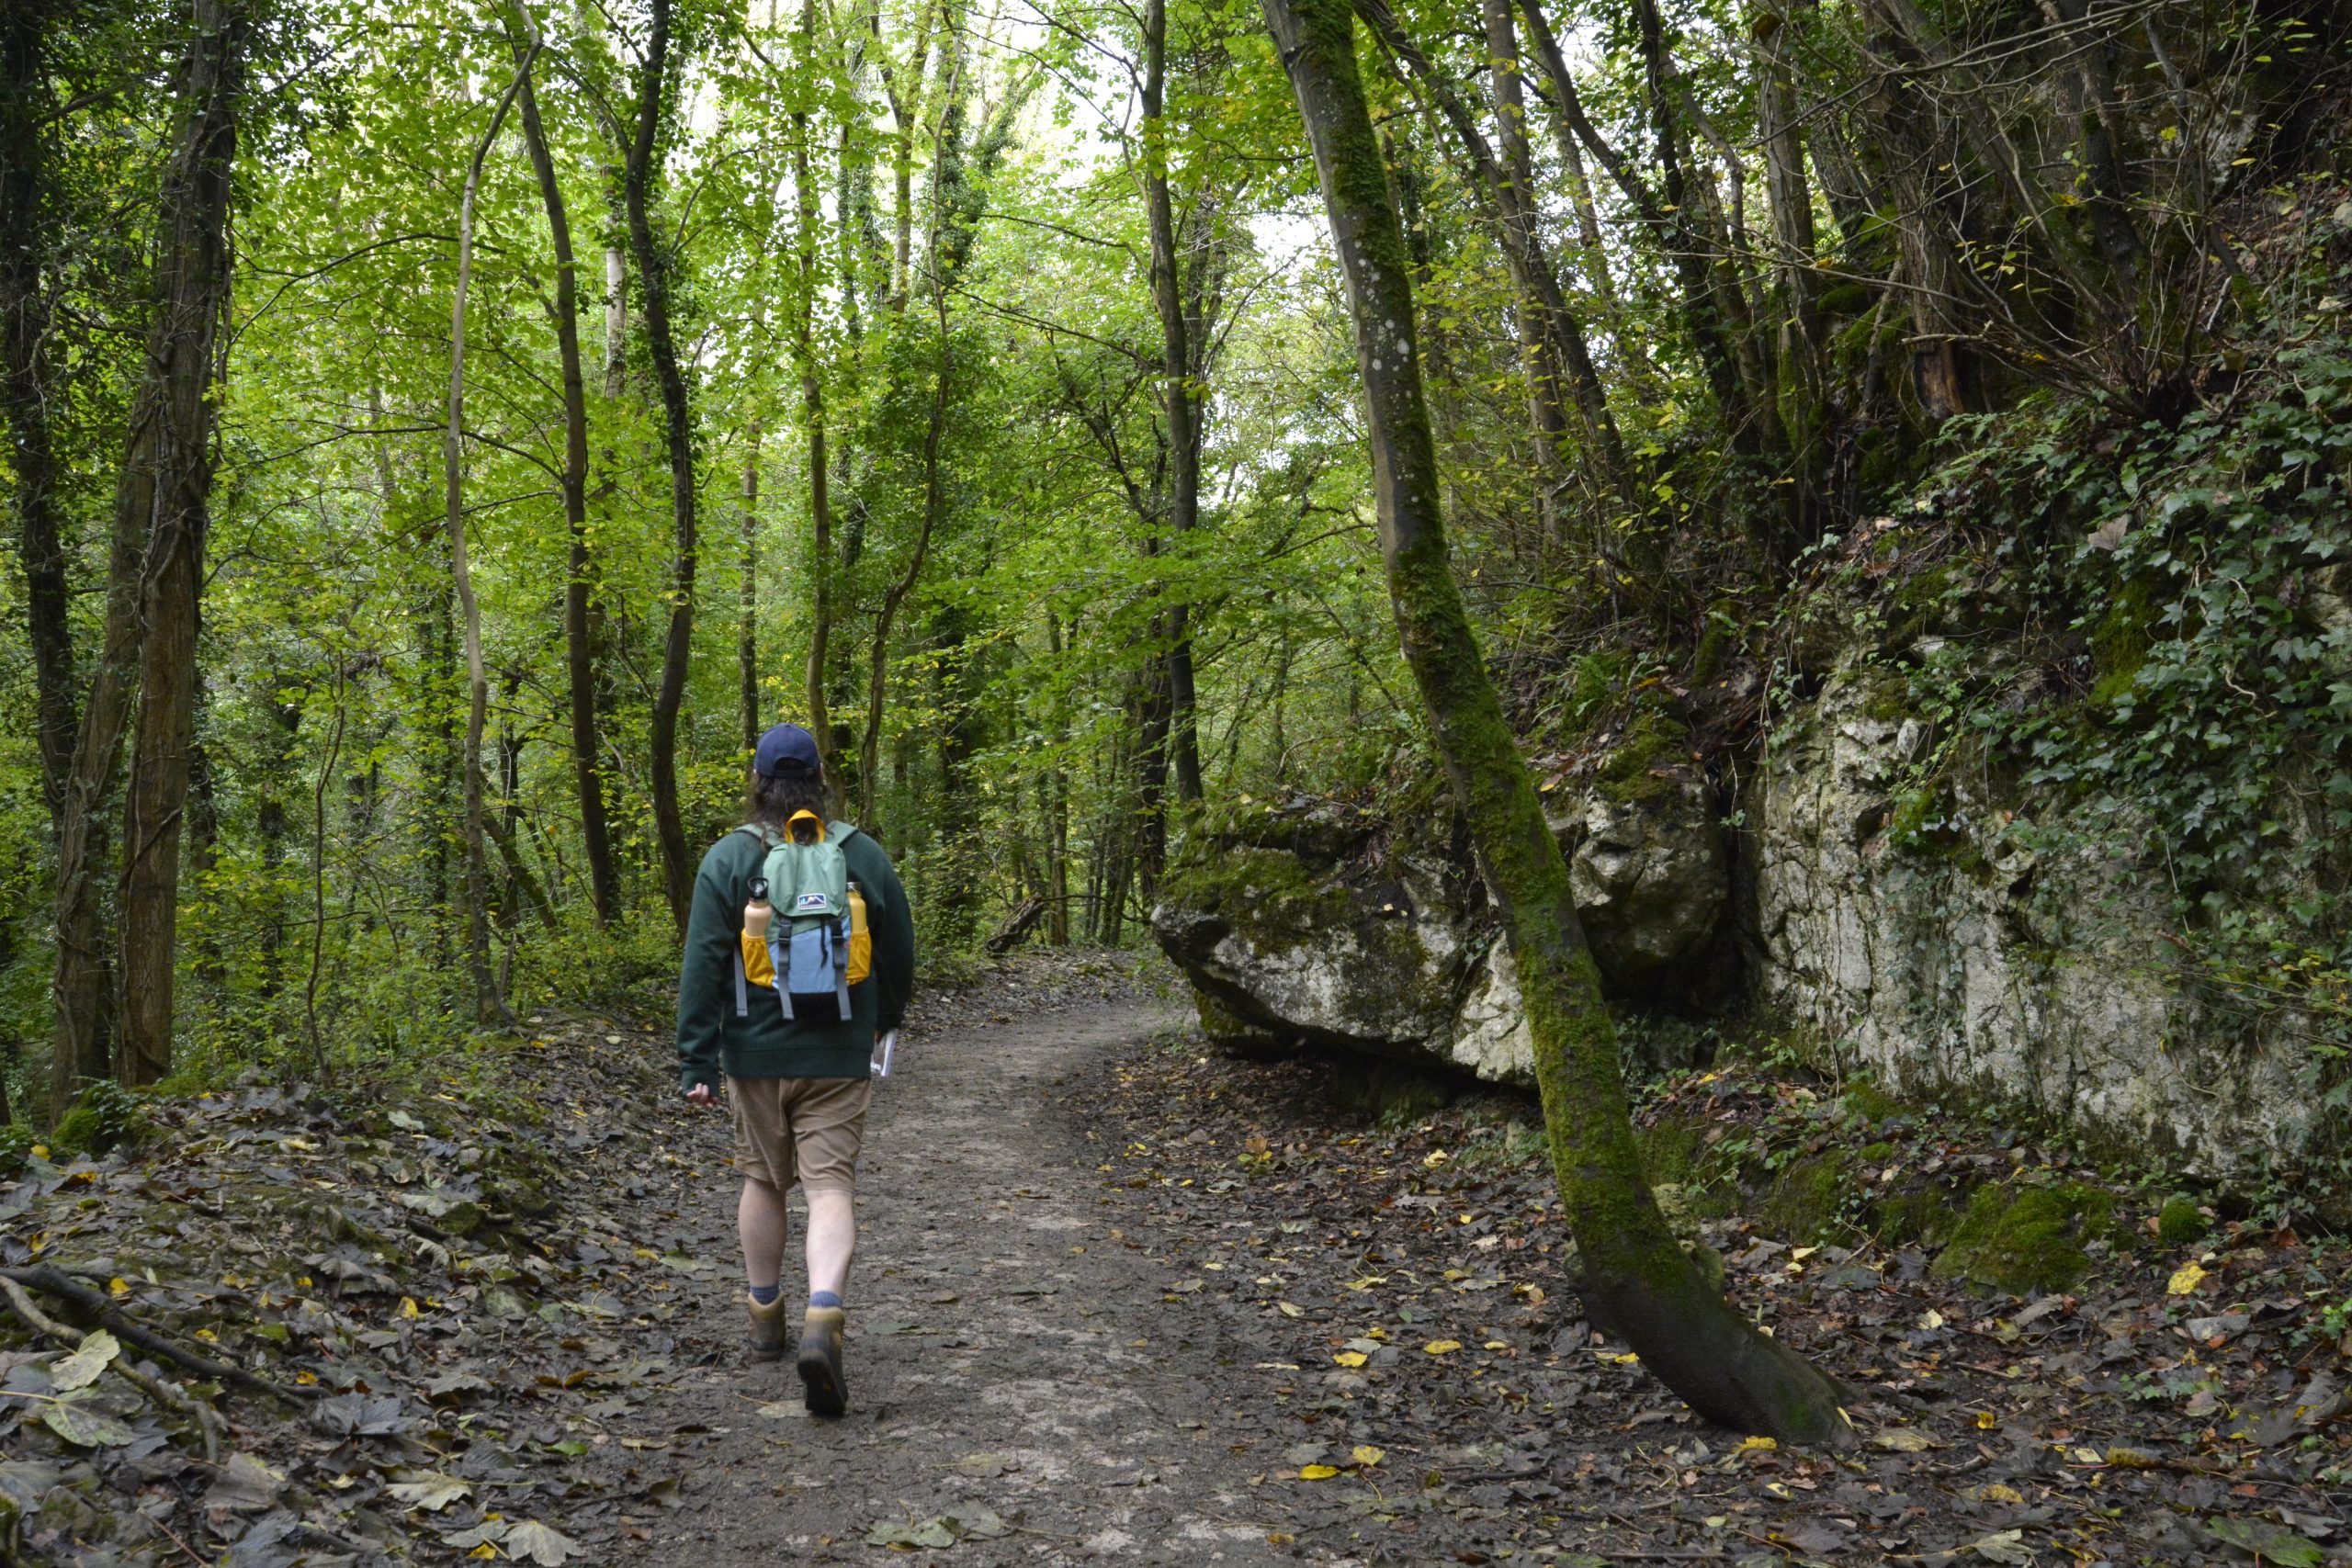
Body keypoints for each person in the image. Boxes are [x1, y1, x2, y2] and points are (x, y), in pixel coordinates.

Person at [676, 723, 914, 1415]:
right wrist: (885, 1015)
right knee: (830, 1185)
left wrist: (696, 1056)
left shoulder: (728, 859)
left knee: (762, 1177)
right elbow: (897, 944)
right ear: (818, 779)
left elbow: (702, 964)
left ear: (757, 781)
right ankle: (824, 1315)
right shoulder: (859, 852)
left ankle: (764, 1315)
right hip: (838, 1051)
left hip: (752, 1053)